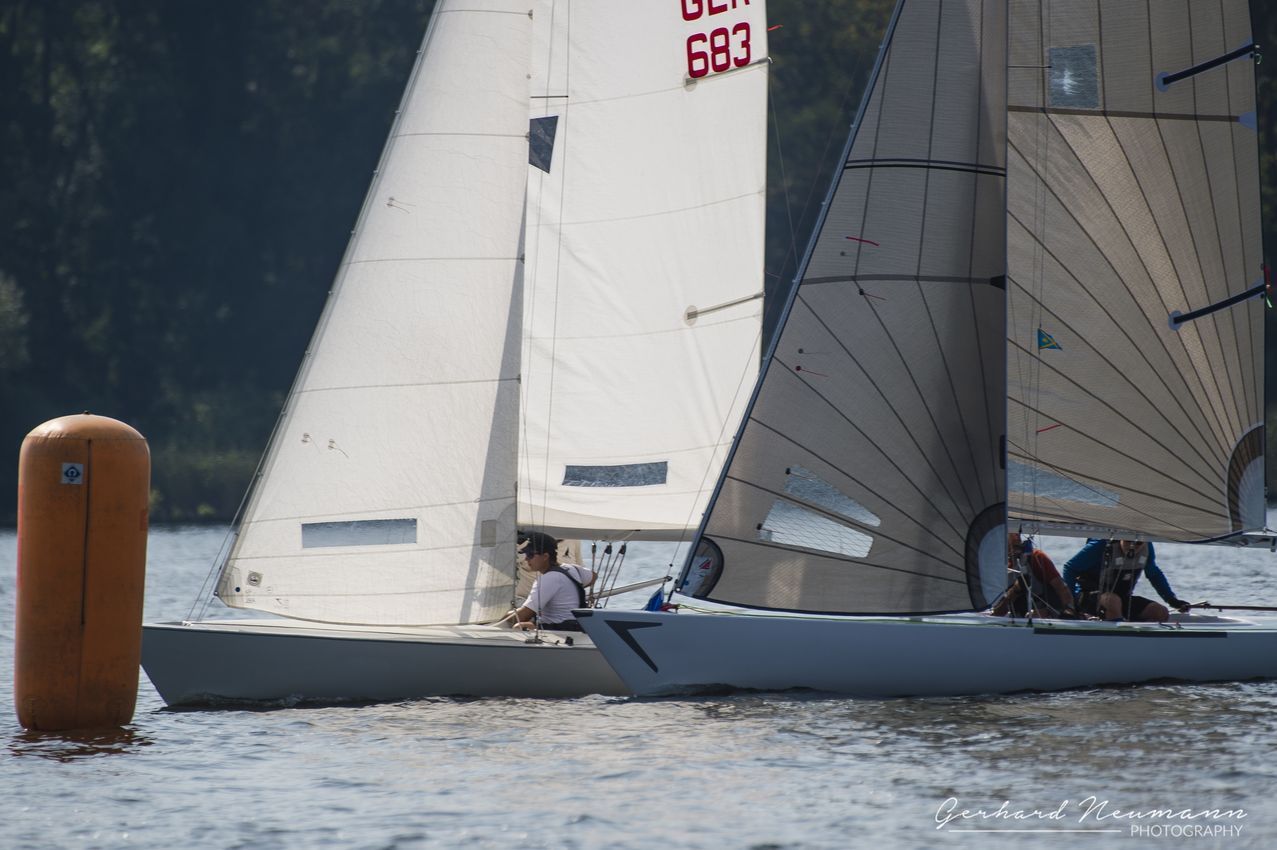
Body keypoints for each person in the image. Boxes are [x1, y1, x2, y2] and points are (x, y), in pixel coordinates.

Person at [1061, 539, 1191, 622]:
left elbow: (1154, 574)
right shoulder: (1101, 545)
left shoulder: (1147, 546)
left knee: (1160, 611)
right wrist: (1071, 604)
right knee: (1113, 601)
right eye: (1128, 541)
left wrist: (1171, 600)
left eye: (1138, 543)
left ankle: (1137, 639)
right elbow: (1069, 568)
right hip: (1088, 598)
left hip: (1122, 599)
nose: (1133, 546)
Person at [501, 531, 595, 632]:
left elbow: (524, 615)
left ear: (545, 556)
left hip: (560, 629)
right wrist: (568, 590)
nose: (526, 559)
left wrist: (497, 620)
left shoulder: (547, 579)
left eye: (530, 555)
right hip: (578, 627)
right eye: (526, 554)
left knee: (518, 626)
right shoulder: (572, 568)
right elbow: (594, 576)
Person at [991, 533, 1077, 619]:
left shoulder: (1037, 557)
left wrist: (1069, 611)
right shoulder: (1003, 570)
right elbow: (998, 612)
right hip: (1020, 619)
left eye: (1016, 535)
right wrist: (1015, 590)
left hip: (1048, 614)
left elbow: (1062, 588)